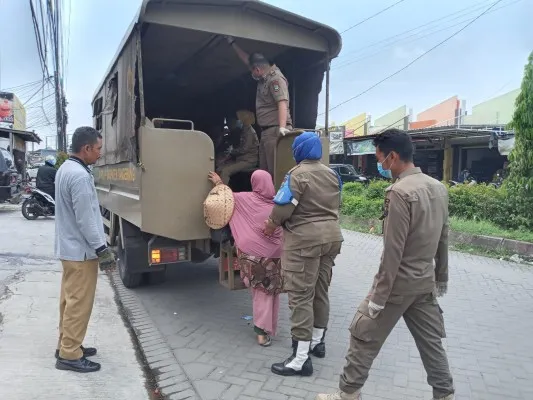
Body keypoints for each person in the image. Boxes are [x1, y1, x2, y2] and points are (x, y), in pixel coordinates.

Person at [316, 129, 454, 400]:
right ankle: (445, 394)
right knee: (431, 344)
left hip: (396, 285)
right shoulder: (438, 188)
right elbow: (444, 237)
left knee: (363, 335)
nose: (380, 165)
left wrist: (378, 297)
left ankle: (347, 394)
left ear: (393, 156)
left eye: (380, 159)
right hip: (424, 283)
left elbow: (393, 252)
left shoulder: (399, 192)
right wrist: (441, 278)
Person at [264, 132, 343, 377]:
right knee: (320, 291)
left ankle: (299, 360)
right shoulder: (332, 174)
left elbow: (282, 210)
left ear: (298, 151)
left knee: (300, 296)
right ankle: (318, 343)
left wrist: (269, 225)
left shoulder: (297, 174)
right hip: (332, 238)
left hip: (304, 242)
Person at [54, 126, 117, 373]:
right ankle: (69, 354)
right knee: (79, 303)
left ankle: (67, 344)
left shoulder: (66, 169)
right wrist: (102, 249)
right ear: (86, 148)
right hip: (80, 252)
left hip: (69, 249)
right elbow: (87, 219)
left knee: (69, 301)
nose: (100, 154)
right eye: (98, 149)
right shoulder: (79, 176)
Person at [208, 169, 283, 345]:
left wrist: (218, 182)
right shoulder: (279, 203)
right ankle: (266, 328)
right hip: (276, 257)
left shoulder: (244, 199)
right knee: (272, 292)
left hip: (251, 257)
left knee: (260, 293)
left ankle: (261, 332)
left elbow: (225, 199)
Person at [226, 36, 293, 178]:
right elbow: (247, 60)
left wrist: (282, 128)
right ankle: (266, 199)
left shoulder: (275, 79)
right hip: (267, 132)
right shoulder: (264, 76)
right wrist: (232, 43)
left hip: (275, 130)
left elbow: (282, 102)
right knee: (264, 173)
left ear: (257, 69)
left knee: (275, 172)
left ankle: (275, 199)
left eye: (252, 70)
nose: (251, 73)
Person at [217, 110, 260, 184]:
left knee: (225, 171)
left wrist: (231, 152)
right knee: (219, 168)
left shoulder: (249, 132)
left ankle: (223, 193)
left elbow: (244, 149)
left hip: (248, 161)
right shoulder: (242, 130)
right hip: (241, 159)